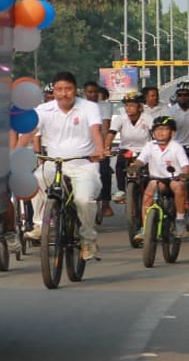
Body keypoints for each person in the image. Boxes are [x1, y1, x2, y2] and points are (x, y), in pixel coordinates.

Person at [20, 71, 104, 260]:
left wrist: (99, 149)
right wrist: (15, 151)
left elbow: (96, 130)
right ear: (54, 91)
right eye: (59, 89)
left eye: (68, 89)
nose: (63, 93)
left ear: (76, 90)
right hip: (54, 163)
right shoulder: (44, 109)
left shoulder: (89, 108)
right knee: (37, 180)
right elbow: (30, 131)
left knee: (83, 200)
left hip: (84, 164)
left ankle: (88, 239)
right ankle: (41, 225)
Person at [136, 116, 189, 244]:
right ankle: (145, 229)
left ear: (172, 132)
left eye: (165, 129)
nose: (161, 132)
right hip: (157, 179)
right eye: (157, 129)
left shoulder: (176, 146)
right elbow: (141, 159)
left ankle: (180, 220)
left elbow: (185, 165)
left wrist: (184, 174)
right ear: (153, 132)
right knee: (147, 196)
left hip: (174, 178)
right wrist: (135, 166)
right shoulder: (150, 145)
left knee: (179, 187)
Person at [105, 91, 153, 205]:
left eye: (132, 105)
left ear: (140, 107)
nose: (128, 108)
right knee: (120, 163)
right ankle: (122, 190)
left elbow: (154, 134)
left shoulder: (148, 118)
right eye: (126, 105)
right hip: (127, 150)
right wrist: (106, 148)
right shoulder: (121, 118)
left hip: (144, 150)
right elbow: (111, 133)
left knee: (148, 172)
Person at [83, 81, 115, 217]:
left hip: (99, 145)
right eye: (89, 92)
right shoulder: (79, 106)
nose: (93, 95)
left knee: (104, 172)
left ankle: (106, 203)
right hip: (83, 146)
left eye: (95, 92)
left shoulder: (105, 106)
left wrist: (102, 148)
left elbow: (105, 127)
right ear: (85, 93)